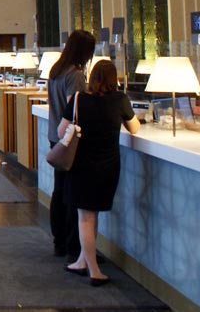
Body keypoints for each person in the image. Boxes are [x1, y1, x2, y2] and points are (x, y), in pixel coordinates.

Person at [58, 60, 139, 285]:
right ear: (114, 79)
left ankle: (92, 269)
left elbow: (61, 130)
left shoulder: (78, 100)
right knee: (93, 215)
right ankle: (84, 262)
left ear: (92, 77)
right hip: (109, 165)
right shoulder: (120, 100)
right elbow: (134, 128)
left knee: (85, 216)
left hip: (82, 165)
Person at [46, 30, 96, 261]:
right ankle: (71, 244)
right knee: (70, 193)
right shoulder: (74, 75)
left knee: (59, 190)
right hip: (69, 140)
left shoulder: (55, 71)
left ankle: (58, 241)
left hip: (55, 137)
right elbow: (74, 110)